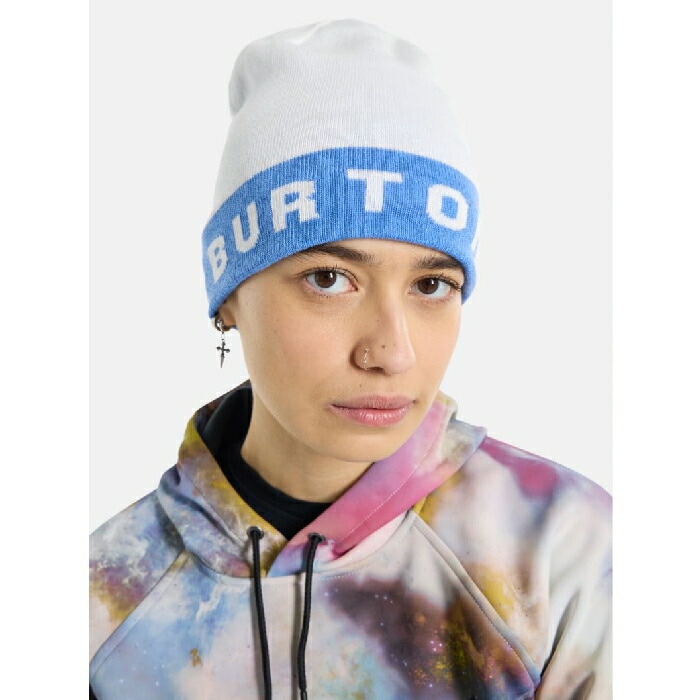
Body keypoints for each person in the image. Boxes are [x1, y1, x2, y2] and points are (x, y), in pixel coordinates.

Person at [89, 18, 611, 699]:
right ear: (228, 296)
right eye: (329, 279)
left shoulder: (566, 551)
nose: (392, 351)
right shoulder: (102, 598)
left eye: (432, 285)